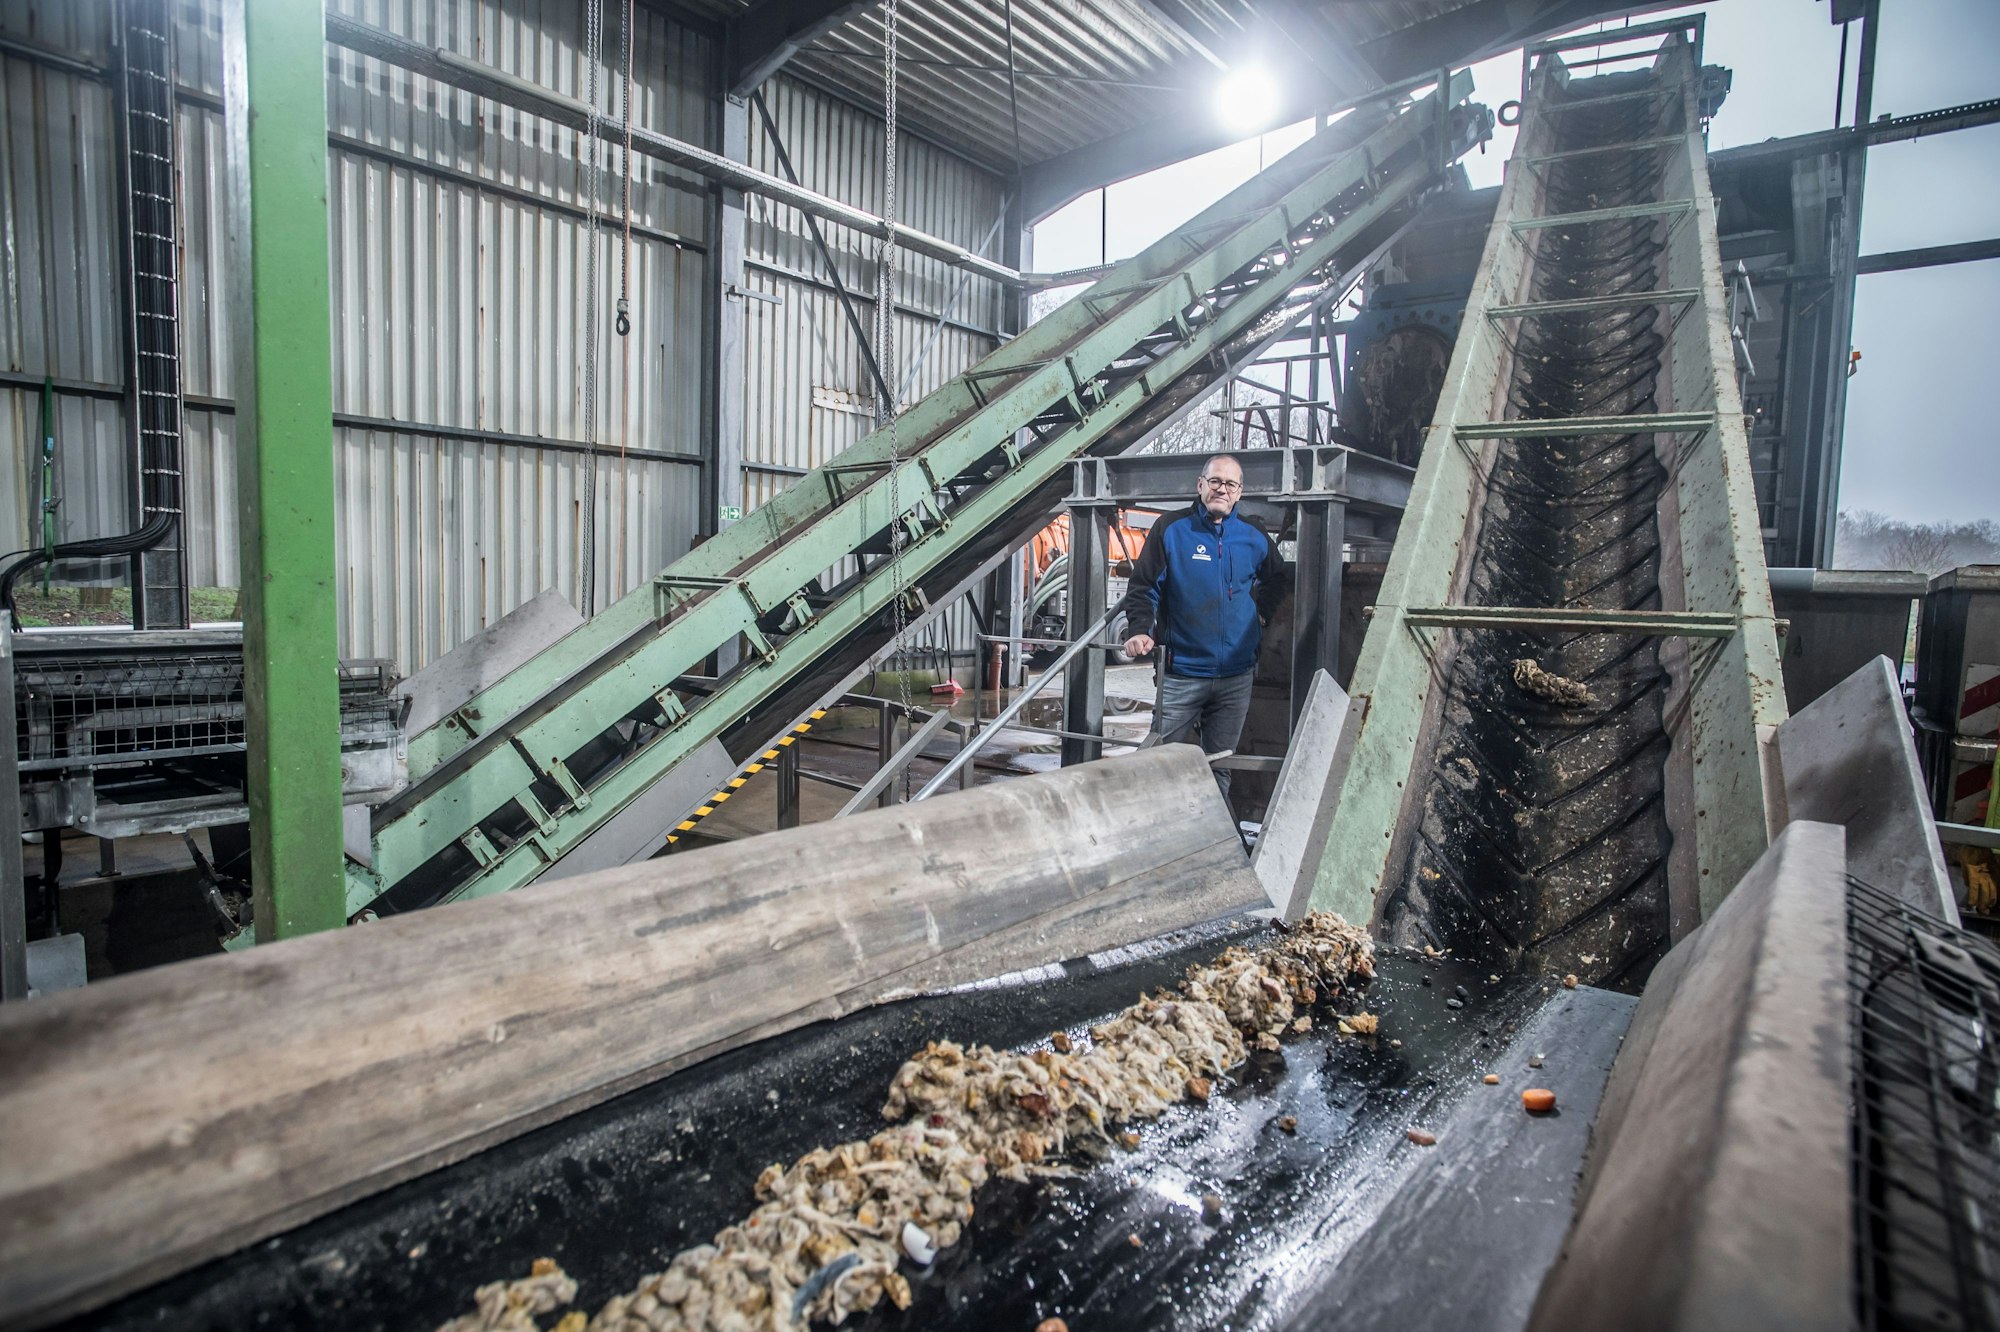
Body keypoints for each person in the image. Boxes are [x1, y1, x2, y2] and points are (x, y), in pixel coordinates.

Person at [1118, 453, 1290, 798]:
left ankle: (1219, 846)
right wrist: (1139, 628)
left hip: (1236, 678)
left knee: (1218, 769)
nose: (1221, 490)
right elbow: (1143, 586)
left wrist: (1261, 615)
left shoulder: (1253, 535)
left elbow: (1278, 578)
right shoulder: (1171, 529)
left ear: (1239, 492)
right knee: (1157, 766)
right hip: (1182, 674)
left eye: (1229, 484)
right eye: (1214, 482)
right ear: (1200, 485)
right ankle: (1151, 844)